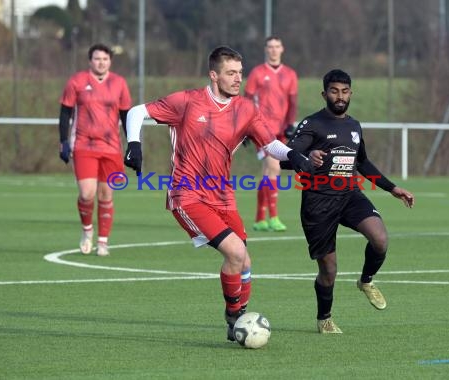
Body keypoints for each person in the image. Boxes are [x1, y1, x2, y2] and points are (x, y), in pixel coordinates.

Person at [123, 46, 312, 341]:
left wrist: (295, 156)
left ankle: (237, 318)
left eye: (240, 72)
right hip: (187, 194)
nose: (238, 79)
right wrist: (133, 143)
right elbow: (136, 112)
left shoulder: (246, 109)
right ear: (214, 75)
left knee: (245, 261)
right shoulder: (186, 102)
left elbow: (270, 143)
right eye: (231, 73)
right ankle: (234, 316)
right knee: (235, 252)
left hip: (222, 195)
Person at [282, 69, 415, 334]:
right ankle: (324, 318)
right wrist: (308, 158)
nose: (340, 97)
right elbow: (287, 156)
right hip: (318, 202)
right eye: (334, 91)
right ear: (324, 94)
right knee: (329, 270)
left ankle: (366, 281)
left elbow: (362, 162)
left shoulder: (354, 126)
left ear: (351, 93)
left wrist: (392, 188)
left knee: (380, 238)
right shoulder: (312, 124)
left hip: (349, 195)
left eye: (344, 91)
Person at [58, 43, 132, 257]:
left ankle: (103, 241)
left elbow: (126, 116)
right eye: (97, 59)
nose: (101, 62)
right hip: (84, 145)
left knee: (106, 195)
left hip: (111, 148)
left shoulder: (119, 83)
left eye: (105, 59)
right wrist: (63, 141)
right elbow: (65, 113)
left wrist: (132, 145)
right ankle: (87, 231)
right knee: (87, 193)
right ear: (90, 61)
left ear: (110, 61)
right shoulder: (77, 81)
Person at [244, 36, 298, 232]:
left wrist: (290, 124)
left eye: (277, 46)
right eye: (270, 47)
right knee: (273, 167)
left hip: (281, 130)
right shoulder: (257, 73)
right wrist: (245, 126)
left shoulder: (290, 74)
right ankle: (274, 217)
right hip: (261, 128)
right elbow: (247, 100)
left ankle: (260, 218)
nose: (274, 50)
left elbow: (292, 102)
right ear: (265, 49)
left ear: (282, 48)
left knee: (268, 172)